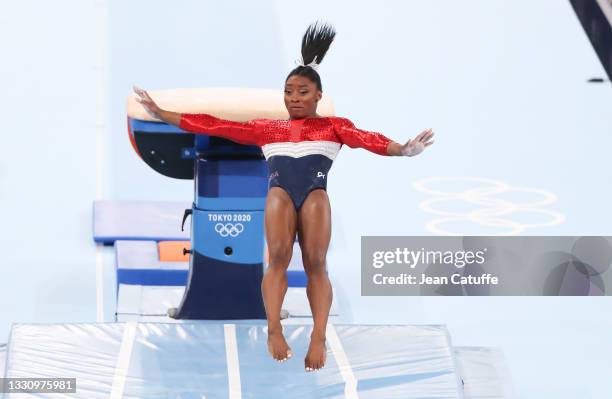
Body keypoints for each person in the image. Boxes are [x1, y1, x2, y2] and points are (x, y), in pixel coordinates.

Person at [133, 21, 434, 372]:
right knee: (277, 257)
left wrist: (402, 149)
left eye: (303, 92)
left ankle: (318, 336)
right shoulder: (267, 128)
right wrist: (161, 113)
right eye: (289, 92)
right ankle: (274, 330)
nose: (294, 99)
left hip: (314, 195)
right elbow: (212, 124)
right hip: (279, 194)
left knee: (316, 264)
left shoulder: (335, 126)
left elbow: (369, 138)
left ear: (319, 95)